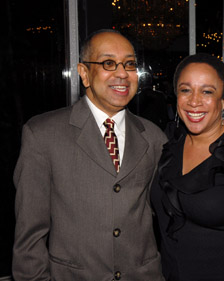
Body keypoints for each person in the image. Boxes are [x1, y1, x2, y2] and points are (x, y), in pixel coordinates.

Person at [12, 29, 166, 280]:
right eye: (108, 63)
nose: (122, 73)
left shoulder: (154, 136)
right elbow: (30, 235)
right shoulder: (42, 134)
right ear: (84, 73)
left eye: (129, 64)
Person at [150, 53, 224, 281]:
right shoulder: (168, 145)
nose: (194, 101)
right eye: (185, 90)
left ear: (223, 99)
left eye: (207, 91)